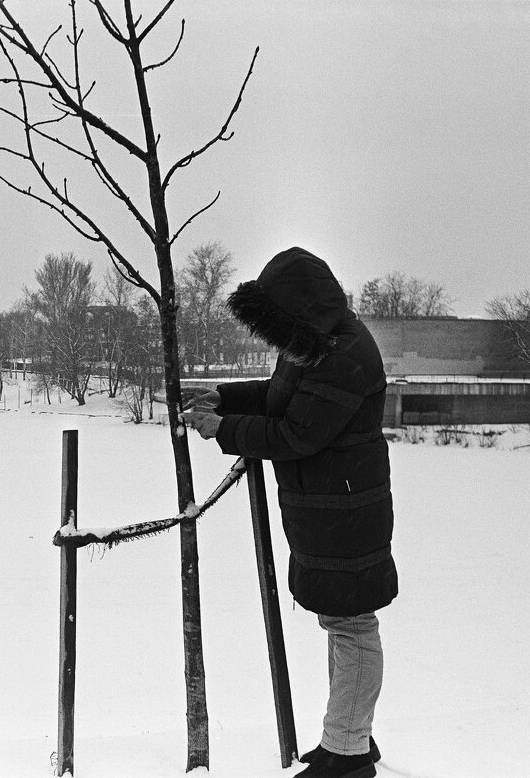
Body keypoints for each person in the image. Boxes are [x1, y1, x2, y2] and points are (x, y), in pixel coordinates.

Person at [183, 247, 395, 778]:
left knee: (351, 624)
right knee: (340, 619)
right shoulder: (315, 344)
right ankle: (346, 738)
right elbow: (284, 399)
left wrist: (222, 430)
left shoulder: (344, 354)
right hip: (329, 505)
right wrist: (225, 397)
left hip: (345, 508)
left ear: (300, 311)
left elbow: (297, 432)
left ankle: (347, 755)